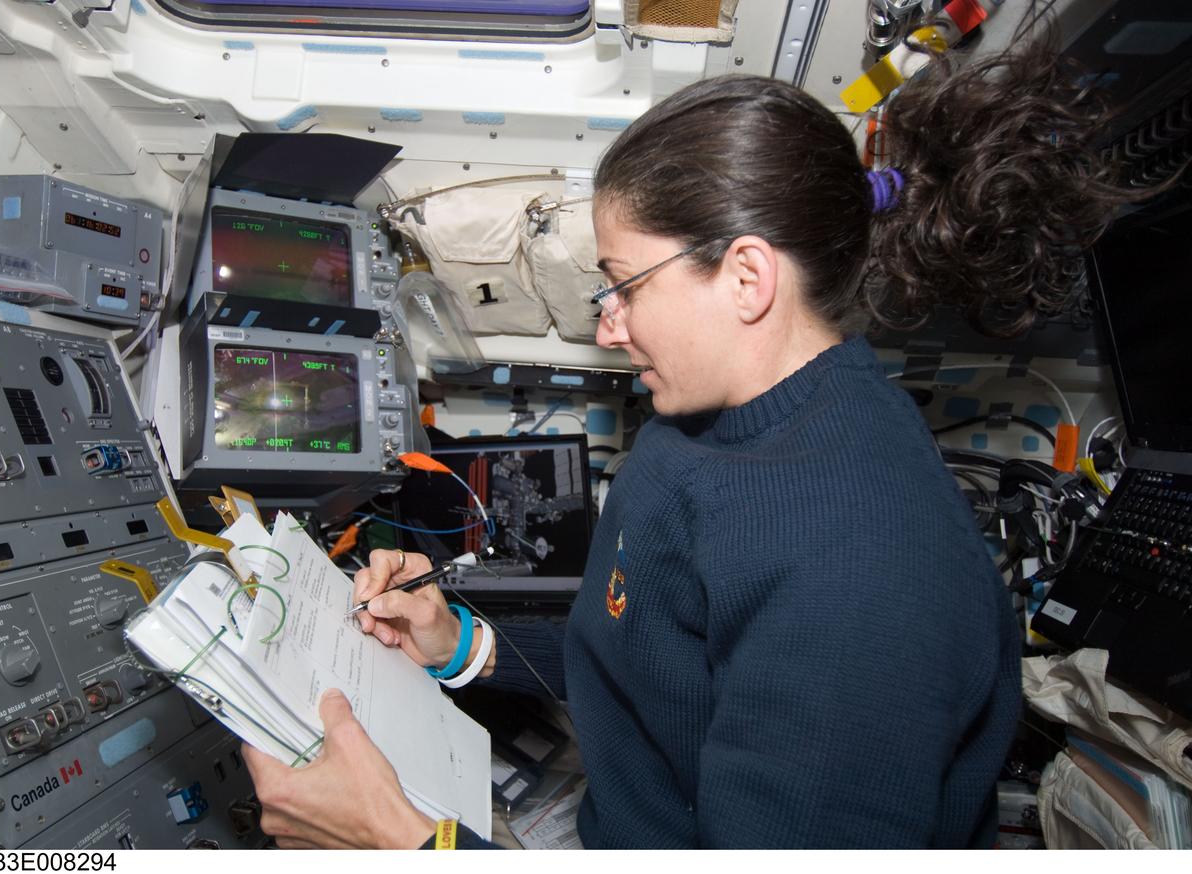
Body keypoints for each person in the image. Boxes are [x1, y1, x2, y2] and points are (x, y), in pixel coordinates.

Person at [242, 22, 1135, 849]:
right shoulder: (693, 425)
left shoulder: (863, 576)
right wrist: (461, 645)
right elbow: (652, 659)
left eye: (624, 286)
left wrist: (395, 843)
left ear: (746, 278)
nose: (607, 326)